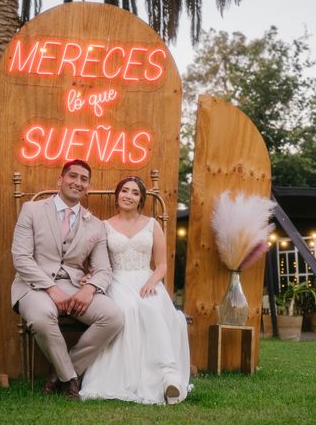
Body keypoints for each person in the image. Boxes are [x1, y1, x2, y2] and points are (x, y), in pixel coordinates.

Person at [11, 159, 124, 400]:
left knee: (114, 317)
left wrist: (90, 289)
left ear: (88, 187)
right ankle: (70, 381)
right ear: (60, 180)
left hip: (74, 287)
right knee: (42, 317)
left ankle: (60, 373)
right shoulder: (32, 210)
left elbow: (104, 269)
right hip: (34, 285)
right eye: (72, 176)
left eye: (84, 179)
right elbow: (21, 258)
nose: (77, 182)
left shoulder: (95, 225)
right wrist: (51, 288)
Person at [79, 176, 191, 405]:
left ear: (141, 199)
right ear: (117, 195)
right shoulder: (105, 226)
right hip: (116, 280)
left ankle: (167, 376)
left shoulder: (152, 224)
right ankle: (125, 378)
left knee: (153, 307)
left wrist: (152, 281)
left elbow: (162, 264)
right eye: (124, 191)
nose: (128, 196)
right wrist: (92, 274)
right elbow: (98, 261)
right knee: (128, 309)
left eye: (135, 193)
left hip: (146, 277)